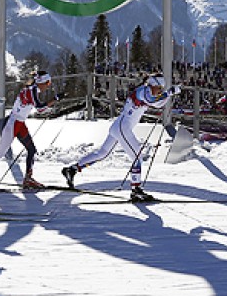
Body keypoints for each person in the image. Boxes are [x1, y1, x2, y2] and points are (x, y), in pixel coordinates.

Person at [62, 73, 179, 202]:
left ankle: (72, 169)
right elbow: (153, 101)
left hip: (118, 126)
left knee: (102, 153)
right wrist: (169, 93)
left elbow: (158, 104)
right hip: (123, 128)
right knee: (137, 156)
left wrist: (169, 94)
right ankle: (136, 190)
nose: (160, 91)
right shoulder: (143, 91)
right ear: (154, 84)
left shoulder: (146, 92)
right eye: (159, 87)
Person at [0, 70, 55, 190]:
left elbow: (37, 107)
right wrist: (55, 99)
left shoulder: (32, 89)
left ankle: (28, 179)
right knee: (0, 153)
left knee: (31, 149)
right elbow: (40, 108)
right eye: (48, 83)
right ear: (41, 82)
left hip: (19, 123)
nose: (48, 86)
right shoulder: (32, 90)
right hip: (14, 123)